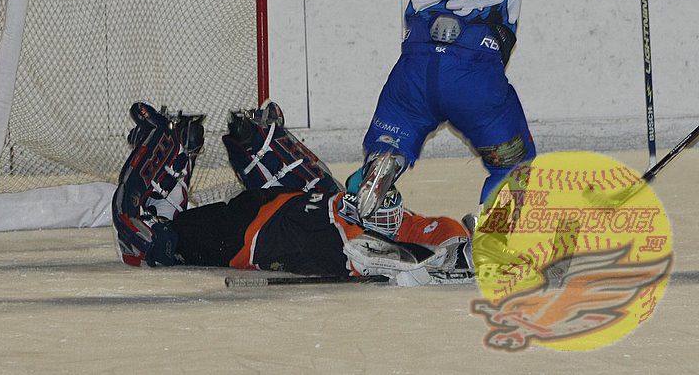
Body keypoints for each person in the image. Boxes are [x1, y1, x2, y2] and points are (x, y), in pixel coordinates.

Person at [312, 0, 658, 220]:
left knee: (398, 129)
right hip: (475, 72)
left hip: (416, 68)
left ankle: (387, 158)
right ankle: (491, 232)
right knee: (513, 165)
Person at [111, 101, 472, 286]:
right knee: (154, 245)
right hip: (247, 233)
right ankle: (161, 140)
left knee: (325, 189)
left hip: (284, 204)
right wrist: (429, 264)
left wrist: (459, 246)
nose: (391, 214)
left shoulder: (379, 215)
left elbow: (436, 228)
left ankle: (248, 138)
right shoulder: (358, 242)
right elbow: (378, 256)